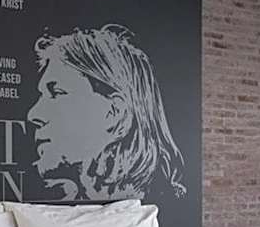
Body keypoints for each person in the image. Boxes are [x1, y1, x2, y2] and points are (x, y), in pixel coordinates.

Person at [28, 24, 187, 200]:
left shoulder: (168, 206)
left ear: (114, 112)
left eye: (57, 93)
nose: (33, 115)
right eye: (43, 95)